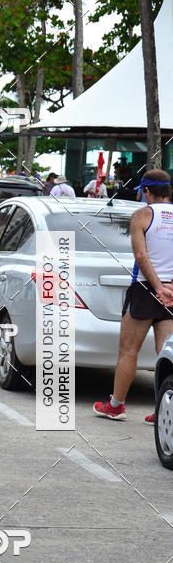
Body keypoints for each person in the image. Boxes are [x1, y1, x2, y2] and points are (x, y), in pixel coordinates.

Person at [94, 170, 173, 424]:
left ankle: (116, 406)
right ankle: (165, 408)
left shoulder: (141, 215)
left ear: (147, 191)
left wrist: (157, 287)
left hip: (145, 288)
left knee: (128, 350)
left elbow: (141, 256)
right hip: (171, 292)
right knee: (167, 353)